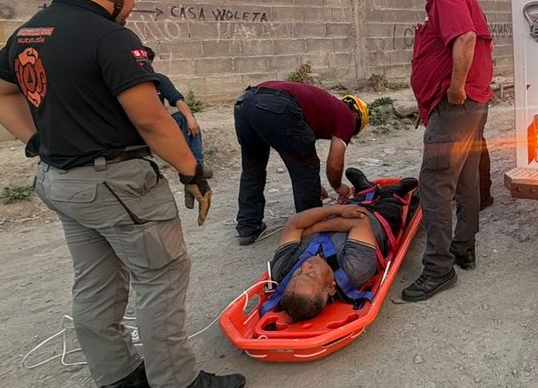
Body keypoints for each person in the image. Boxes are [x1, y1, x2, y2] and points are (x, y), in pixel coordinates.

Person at [0, 0, 244, 388]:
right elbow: (150, 119)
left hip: (61, 180)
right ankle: (177, 387)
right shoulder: (109, 37)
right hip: (117, 183)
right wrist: (192, 172)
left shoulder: (29, 33)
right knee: (161, 275)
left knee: (96, 280)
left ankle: (117, 377)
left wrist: (37, 141)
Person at [400, 0, 493, 302]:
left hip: (456, 106)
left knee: (435, 183)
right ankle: (463, 247)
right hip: (472, 106)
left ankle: (439, 269)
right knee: (466, 178)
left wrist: (455, 88)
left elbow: (465, 38)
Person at [266, 170, 417, 322]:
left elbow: (293, 223)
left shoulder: (282, 270)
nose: (305, 266)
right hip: (376, 218)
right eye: (311, 274)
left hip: (339, 215)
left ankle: (364, 190)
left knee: (353, 204)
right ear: (331, 287)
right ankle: (392, 192)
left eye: (297, 273)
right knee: (388, 206)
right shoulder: (354, 271)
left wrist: (337, 210)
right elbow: (359, 222)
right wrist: (309, 229)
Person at [232, 80, 369, 245]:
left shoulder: (323, 107)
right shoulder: (347, 117)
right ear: (356, 117)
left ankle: (248, 226)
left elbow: (294, 150)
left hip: (245, 103)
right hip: (277, 106)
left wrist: (314, 185)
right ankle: (312, 227)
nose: (350, 134)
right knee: (307, 167)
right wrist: (338, 186)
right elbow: (334, 163)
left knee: (252, 168)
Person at [452, 0, 494, 212]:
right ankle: (478, 195)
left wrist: (457, 86)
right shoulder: (472, 9)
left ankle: (477, 197)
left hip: (469, 90)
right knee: (475, 143)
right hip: (476, 87)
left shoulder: (464, 11)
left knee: (471, 145)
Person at [143, 46, 210, 179]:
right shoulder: (127, 81)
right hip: (138, 126)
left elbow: (177, 99)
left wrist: (190, 118)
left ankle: (197, 165)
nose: (146, 67)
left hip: (159, 124)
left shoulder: (159, 79)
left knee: (184, 118)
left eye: (149, 63)